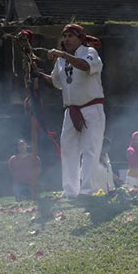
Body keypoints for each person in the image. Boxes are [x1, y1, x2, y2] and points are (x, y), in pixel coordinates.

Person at [37, 23, 105, 197]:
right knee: (68, 150)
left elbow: (85, 66)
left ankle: (87, 190)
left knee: (90, 149)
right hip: (71, 110)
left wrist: (63, 54)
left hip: (92, 107)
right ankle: (70, 190)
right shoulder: (61, 60)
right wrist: (37, 73)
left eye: (70, 36)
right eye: (64, 36)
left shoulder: (89, 52)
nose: (66, 40)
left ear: (79, 38)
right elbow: (56, 81)